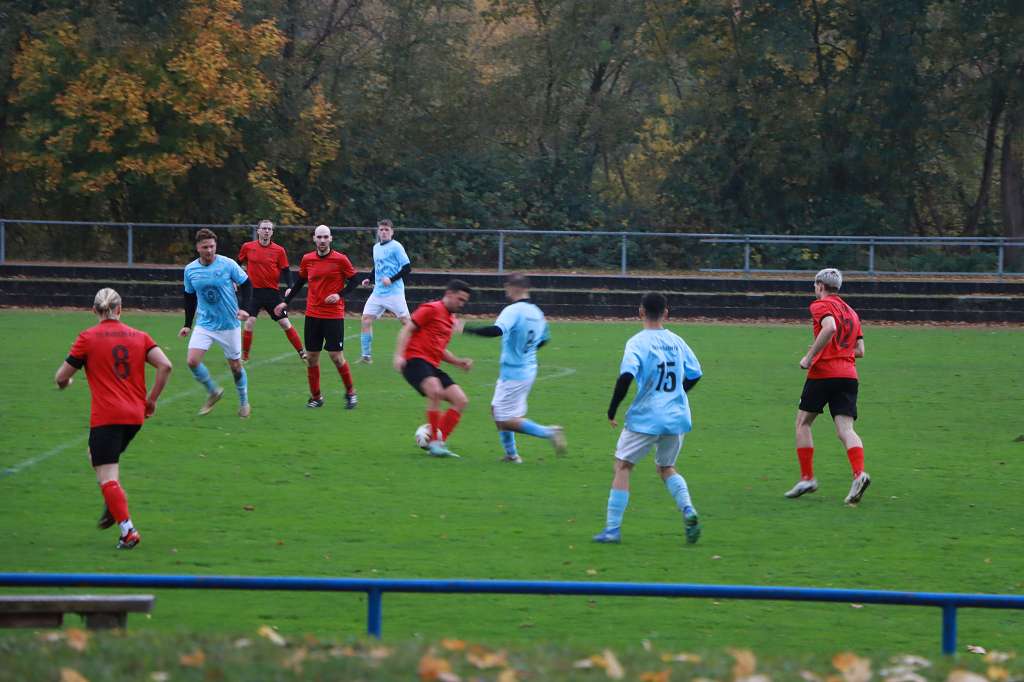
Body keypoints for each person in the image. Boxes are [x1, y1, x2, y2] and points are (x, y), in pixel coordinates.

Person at [54, 288, 173, 549]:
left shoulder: (87, 338)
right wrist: (152, 400)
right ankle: (113, 500)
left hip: (107, 417)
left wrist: (66, 383)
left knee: (107, 474)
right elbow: (166, 365)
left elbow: (61, 377)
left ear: (94, 311)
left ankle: (127, 530)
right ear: (120, 309)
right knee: (95, 456)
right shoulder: (140, 336)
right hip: (134, 416)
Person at [593, 292, 703, 545]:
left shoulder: (637, 342)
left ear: (640, 312)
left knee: (623, 465)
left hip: (647, 417)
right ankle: (688, 509)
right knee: (666, 467)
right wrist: (675, 395)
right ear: (666, 313)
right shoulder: (677, 340)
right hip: (676, 417)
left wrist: (612, 409)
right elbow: (696, 373)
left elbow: (626, 377)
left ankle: (612, 530)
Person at [785, 267, 870, 504]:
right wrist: (836, 351)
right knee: (846, 430)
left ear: (820, 286)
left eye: (815, 286)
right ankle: (859, 474)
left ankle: (807, 478)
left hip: (823, 373)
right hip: (849, 375)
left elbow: (830, 327)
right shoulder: (852, 312)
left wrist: (810, 356)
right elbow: (860, 350)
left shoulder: (820, 305)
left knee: (803, 423)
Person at [463, 274, 566, 463]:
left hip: (514, 372)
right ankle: (511, 455)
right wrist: (526, 352)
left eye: (507, 287)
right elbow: (544, 339)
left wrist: (466, 328)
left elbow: (496, 331)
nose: (506, 291)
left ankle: (549, 432)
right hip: (526, 369)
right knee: (497, 410)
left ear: (513, 287)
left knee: (505, 420)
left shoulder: (513, 310)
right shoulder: (537, 312)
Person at [275, 224, 359, 409]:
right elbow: (300, 282)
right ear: (314, 239)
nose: (322, 240)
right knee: (312, 357)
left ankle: (351, 393)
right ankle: (316, 397)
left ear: (331, 239)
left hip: (333, 315)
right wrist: (285, 302)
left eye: (325, 237)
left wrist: (339, 295)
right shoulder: (308, 259)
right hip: (313, 315)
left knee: (336, 356)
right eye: (319, 237)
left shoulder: (341, 260)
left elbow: (354, 281)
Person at [393, 280, 474, 458]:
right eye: (460, 299)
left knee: (461, 400)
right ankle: (435, 443)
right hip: (414, 360)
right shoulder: (431, 309)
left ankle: (438, 442)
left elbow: (439, 349)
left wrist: (458, 362)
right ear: (449, 294)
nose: (462, 304)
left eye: (464, 301)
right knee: (435, 391)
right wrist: (398, 355)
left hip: (431, 365)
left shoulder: (450, 320)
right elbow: (407, 330)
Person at [179, 228, 253, 418]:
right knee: (192, 361)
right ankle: (213, 391)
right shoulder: (190, 270)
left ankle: (244, 402)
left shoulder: (227, 264)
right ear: (197, 248)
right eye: (205, 247)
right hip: (205, 324)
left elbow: (247, 284)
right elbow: (189, 297)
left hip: (229, 324)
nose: (209, 250)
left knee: (235, 367)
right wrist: (187, 324)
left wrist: (245, 308)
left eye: (212, 246)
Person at [237, 219, 306, 362]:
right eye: (264, 228)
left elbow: (286, 270)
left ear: (272, 232)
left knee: (285, 323)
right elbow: (236, 265)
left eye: (269, 229)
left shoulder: (279, 250)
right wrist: (233, 280)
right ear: (258, 231)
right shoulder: (247, 247)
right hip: (253, 293)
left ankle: (302, 352)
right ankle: (245, 357)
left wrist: (290, 287)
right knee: (249, 323)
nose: (266, 231)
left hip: (272, 293)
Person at [359, 219, 412, 363]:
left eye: (386, 230)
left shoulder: (396, 247)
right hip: (378, 293)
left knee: (407, 323)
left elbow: (407, 268)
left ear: (392, 232)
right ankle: (366, 356)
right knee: (366, 319)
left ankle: (420, 351)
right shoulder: (376, 247)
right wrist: (369, 278)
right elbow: (377, 266)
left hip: (394, 293)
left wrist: (391, 279)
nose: (383, 232)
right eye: (381, 229)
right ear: (378, 232)